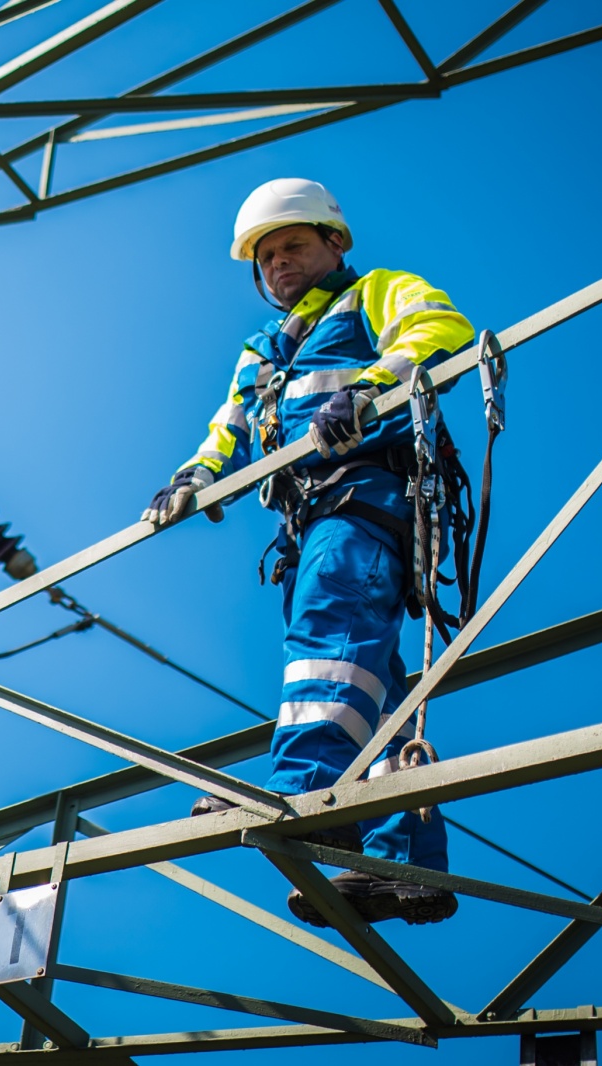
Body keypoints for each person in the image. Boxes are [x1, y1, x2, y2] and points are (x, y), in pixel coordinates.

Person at [142, 178, 473, 926]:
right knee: (369, 682)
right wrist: (194, 476)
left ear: (335, 243)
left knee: (329, 635)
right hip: (309, 523)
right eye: (265, 257)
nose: (278, 264)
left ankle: (305, 791)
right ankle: (398, 863)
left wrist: (372, 386)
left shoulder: (377, 294)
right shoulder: (263, 353)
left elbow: (440, 329)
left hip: (364, 504)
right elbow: (228, 430)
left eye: (293, 245)